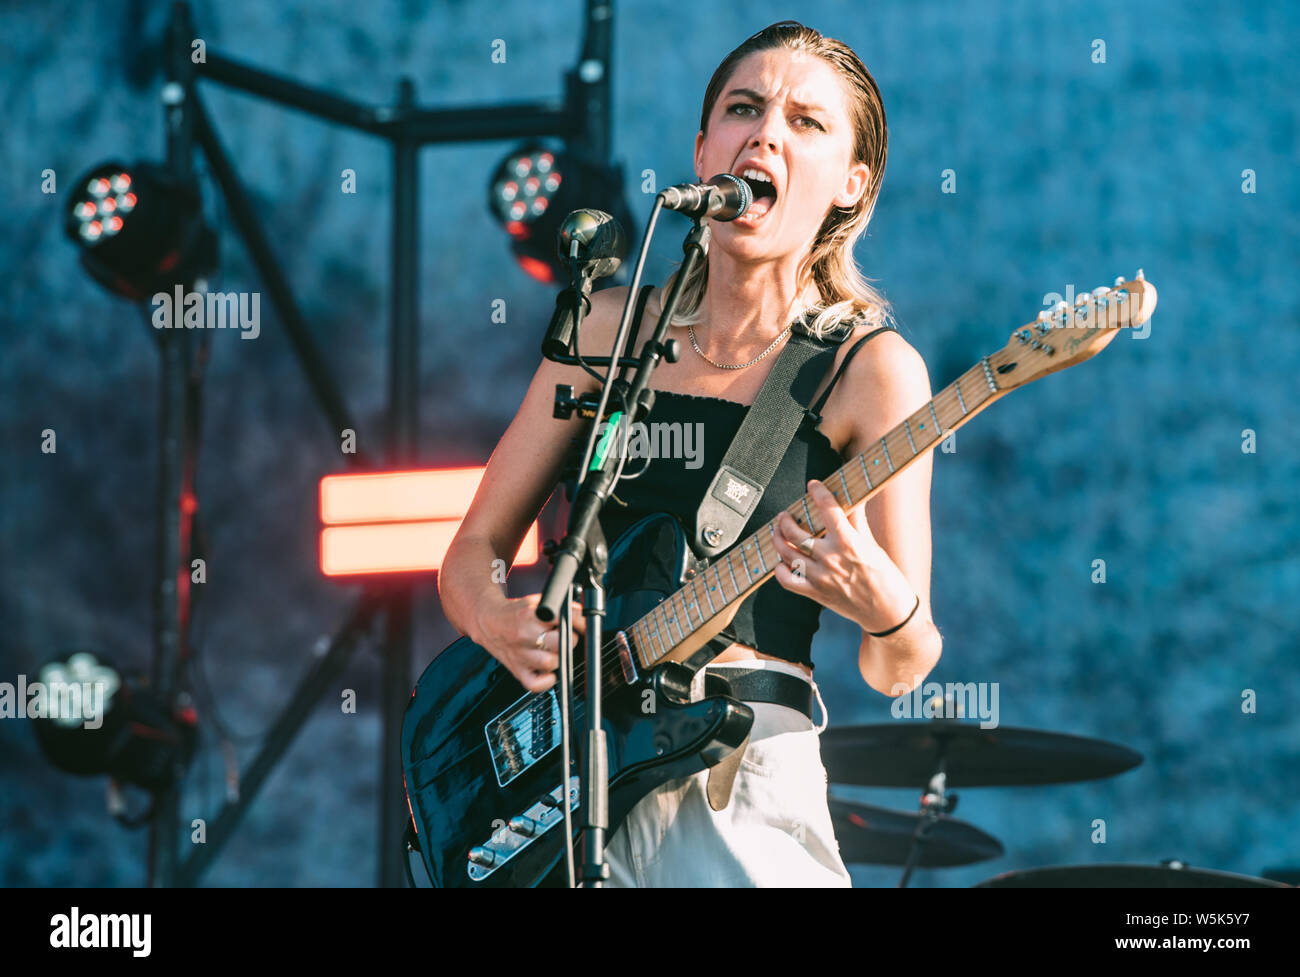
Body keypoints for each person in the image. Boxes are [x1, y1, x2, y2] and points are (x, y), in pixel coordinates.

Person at [438, 20, 942, 887]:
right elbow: (471, 551)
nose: (767, 133)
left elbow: (902, 665)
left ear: (853, 185)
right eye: (744, 109)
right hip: (567, 785)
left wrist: (883, 603)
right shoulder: (606, 327)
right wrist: (497, 620)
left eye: (807, 122)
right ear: (704, 146)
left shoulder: (871, 371)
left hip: (739, 781)